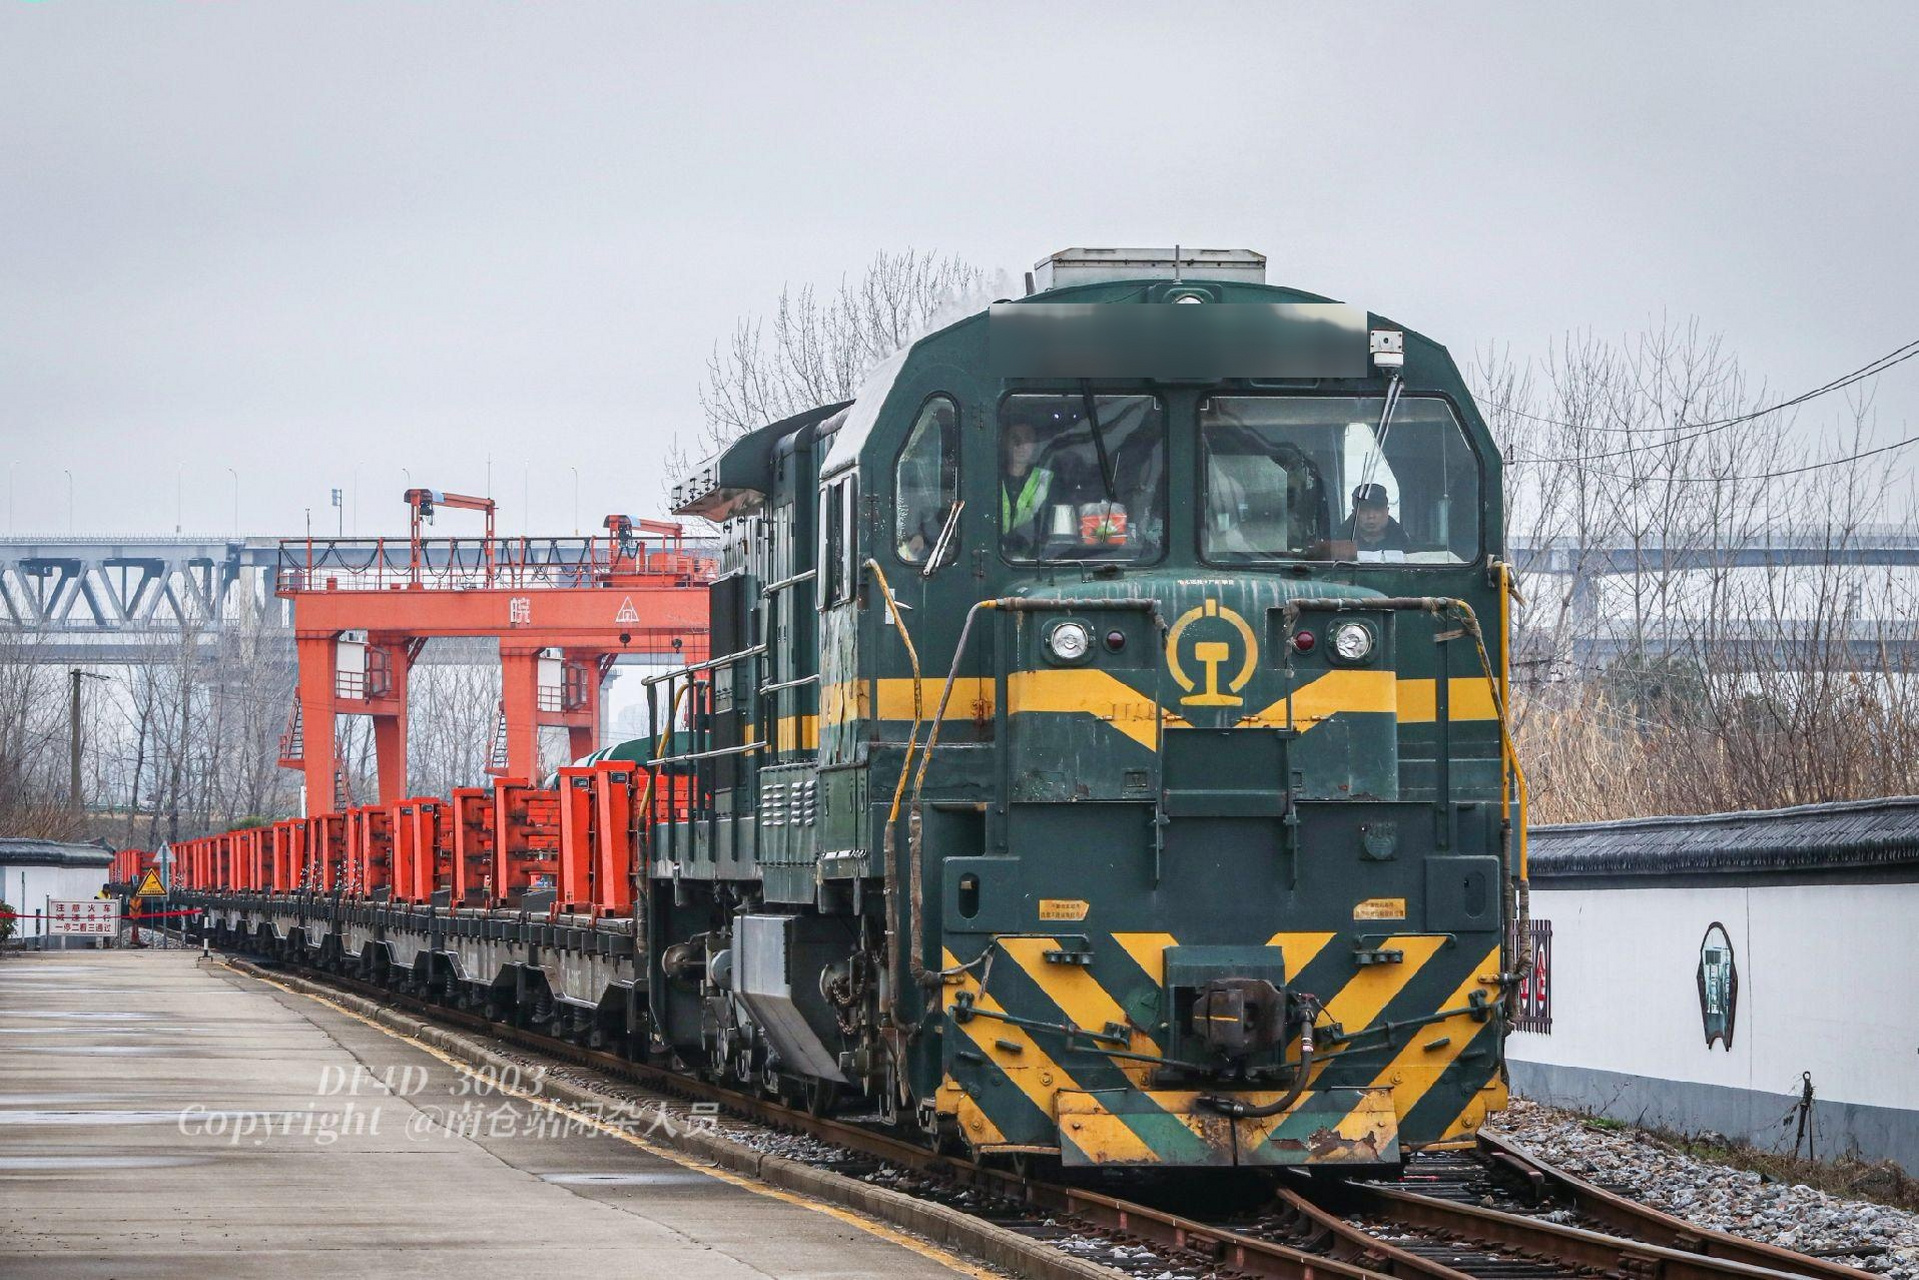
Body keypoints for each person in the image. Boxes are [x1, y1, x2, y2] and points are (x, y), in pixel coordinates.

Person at [1000, 419, 1055, 555]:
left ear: (1035, 445)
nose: (1021, 445)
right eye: (1015, 438)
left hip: (1034, 560)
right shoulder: (988, 477)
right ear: (1005, 442)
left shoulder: (1047, 480)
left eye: (1028, 439)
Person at [1345, 483, 1410, 552]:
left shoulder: (1405, 544)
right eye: (1364, 510)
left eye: (1377, 510)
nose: (1371, 516)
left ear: (1386, 512)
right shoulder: (1337, 542)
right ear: (1354, 513)